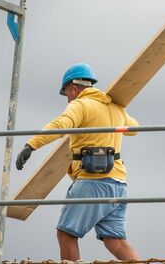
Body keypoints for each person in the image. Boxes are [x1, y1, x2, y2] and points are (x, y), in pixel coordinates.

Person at [16, 63, 140, 261]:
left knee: (66, 234)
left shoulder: (80, 104)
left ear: (74, 88)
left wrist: (32, 145)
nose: (67, 99)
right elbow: (134, 129)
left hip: (93, 182)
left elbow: (60, 125)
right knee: (116, 242)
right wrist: (117, 114)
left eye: (66, 93)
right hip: (118, 184)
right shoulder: (116, 109)